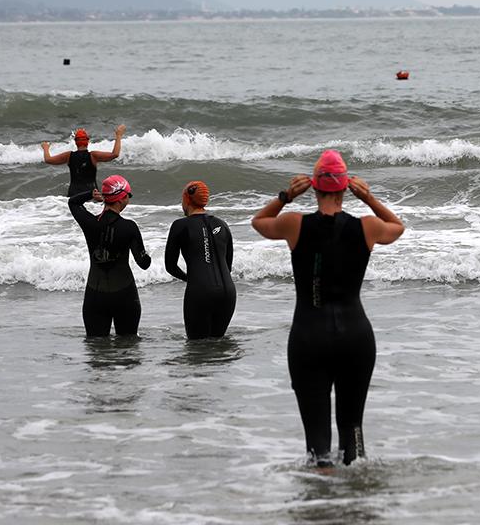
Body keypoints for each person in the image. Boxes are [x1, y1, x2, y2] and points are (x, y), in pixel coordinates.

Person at [250, 149, 404, 469]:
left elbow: (259, 222)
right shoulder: (368, 228)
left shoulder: (294, 224)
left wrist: (285, 196)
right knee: (353, 430)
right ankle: (355, 500)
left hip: (309, 337)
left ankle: (321, 504)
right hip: (356, 337)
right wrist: (368, 198)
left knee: (318, 443)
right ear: (346, 186)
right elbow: (397, 226)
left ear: (314, 186)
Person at [69, 174, 152, 337]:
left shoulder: (90, 223)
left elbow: (73, 202)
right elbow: (143, 263)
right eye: (128, 195)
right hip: (125, 295)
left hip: (95, 295)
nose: (129, 198)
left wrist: (90, 195)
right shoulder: (129, 227)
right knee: (128, 348)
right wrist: (147, 254)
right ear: (121, 198)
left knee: (97, 352)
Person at [164, 181, 236, 339]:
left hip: (200, 292)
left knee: (197, 349)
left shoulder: (180, 225)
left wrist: (191, 279)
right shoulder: (222, 225)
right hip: (228, 293)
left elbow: (170, 266)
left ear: (186, 199)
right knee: (217, 346)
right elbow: (227, 265)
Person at [42, 125, 126, 196]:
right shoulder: (93, 155)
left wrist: (46, 148)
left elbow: (48, 159)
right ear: (88, 141)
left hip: (74, 193)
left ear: (75, 142)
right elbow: (115, 154)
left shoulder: (69, 156)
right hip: (91, 193)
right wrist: (118, 135)